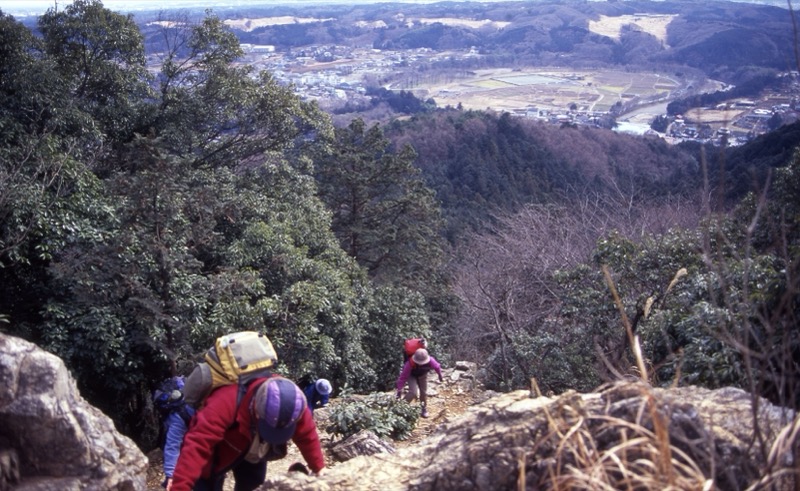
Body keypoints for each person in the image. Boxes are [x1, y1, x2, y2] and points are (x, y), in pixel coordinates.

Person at [168, 376, 325, 491]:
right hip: (221, 446)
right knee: (207, 483)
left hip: (255, 447)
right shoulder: (224, 402)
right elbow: (196, 446)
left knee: (252, 485)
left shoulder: (293, 405)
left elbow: (307, 436)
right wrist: (179, 486)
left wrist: (319, 469)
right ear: (256, 410)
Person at [153, 376, 196, 490]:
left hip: (181, 424)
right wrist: (170, 475)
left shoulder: (200, 405)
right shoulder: (179, 419)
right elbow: (173, 446)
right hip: (175, 422)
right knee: (173, 445)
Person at [395, 348, 443, 418]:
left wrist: (440, 375)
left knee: (423, 392)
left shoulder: (431, 361)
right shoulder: (410, 363)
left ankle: (423, 408)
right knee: (413, 392)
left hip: (423, 375)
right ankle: (401, 408)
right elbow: (403, 377)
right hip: (412, 376)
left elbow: (437, 367)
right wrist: (399, 390)